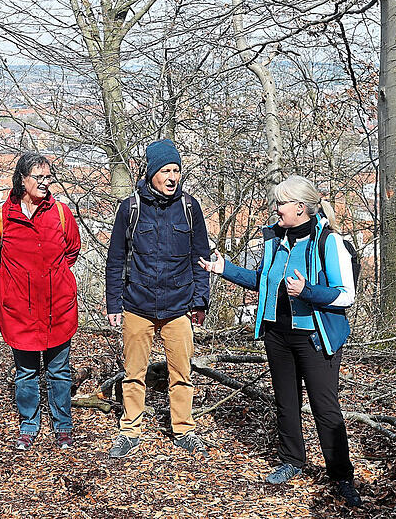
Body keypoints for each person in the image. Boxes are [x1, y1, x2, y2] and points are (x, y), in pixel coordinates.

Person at [198, 175, 362, 507]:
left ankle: (341, 475)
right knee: (286, 401)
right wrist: (223, 269)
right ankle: (292, 461)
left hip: (315, 337)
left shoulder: (328, 241)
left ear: (301, 208)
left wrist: (308, 292)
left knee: (325, 408)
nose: (275, 209)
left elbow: (346, 295)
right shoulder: (275, 239)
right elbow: (263, 281)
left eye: (280, 203)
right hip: (277, 334)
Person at [104, 139, 211, 458]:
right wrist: (113, 303)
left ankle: (184, 429)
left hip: (179, 307)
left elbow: (200, 257)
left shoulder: (190, 208)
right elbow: (116, 259)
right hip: (137, 305)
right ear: (151, 173)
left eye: (176, 170)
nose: (172, 176)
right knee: (133, 374)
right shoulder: (130, 208)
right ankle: (129, 431)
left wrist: (199, 301)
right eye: (165, 170)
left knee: (182, 373)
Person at [0, 153, 81, 450]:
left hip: (58, 307)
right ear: (22, 179)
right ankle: (29, 424)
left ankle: (63, 426)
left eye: (49, 177)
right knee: (26, 372)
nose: (45, 183)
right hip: (20, 311)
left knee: (59, 370)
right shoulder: (2, 217)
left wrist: (55, 277)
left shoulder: (60, 213)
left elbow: (71, 250)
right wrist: (11, 284)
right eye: (39, 177)